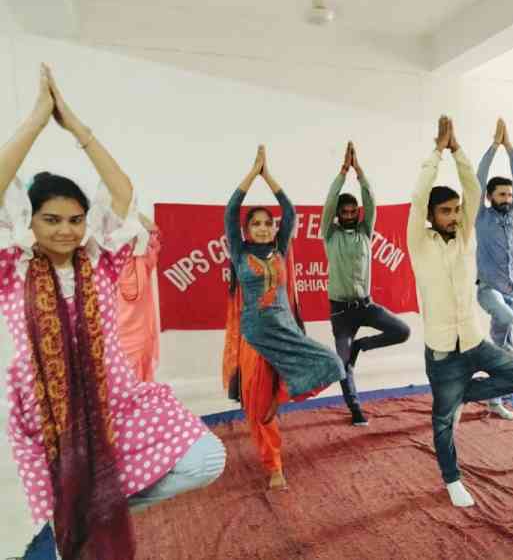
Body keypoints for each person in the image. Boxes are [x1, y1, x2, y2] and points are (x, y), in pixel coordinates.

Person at [0, 65, 225, 560]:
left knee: (207, 458)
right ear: (29, 221)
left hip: (119, 402)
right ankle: (80, 518)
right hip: (53, 417)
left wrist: (77, 129)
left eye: (76, 219)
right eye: (52, 219)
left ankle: (92, 508)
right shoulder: (12, 267)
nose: (66, 230)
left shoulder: (99, 260)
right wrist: (38, 118)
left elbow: (122, 192)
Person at [406, 115, 513, 508]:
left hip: (475, 340)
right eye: (445, 211)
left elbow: (473, 186)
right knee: (442, 422)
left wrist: (458, 151)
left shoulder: (466, 236)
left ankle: (464, 394)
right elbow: (418, 196)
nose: (452, 216)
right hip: (443, 351)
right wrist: (436, 152)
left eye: (455, 210)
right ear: (432, 216)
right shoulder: (420, 242)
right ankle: (452, 479)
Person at [223, 144, 345, 489]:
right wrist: (251, 175)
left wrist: (269, 177)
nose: (263, 228)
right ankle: (274, 464)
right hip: (256, 339)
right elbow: (232, 211)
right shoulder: (239, 251)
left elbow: (289, 210)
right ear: (248, 230)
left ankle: (281, 394)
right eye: (257, 224)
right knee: (258, 411)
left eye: (268, 223)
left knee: (333, 364)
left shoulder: (281, 249)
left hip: (287, 333)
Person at [321, 141, 410, 426]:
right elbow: (328, 202)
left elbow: (370, 199)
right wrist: (342, 172)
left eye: (352, 212)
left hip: (366, 306)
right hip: (341, 312)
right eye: (344, 212)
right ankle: (355, 408)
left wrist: (359, 172)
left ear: (357, 214)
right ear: (338, 215)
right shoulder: (329, 234)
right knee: (343, 363)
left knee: (402, 330)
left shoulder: (365, 232)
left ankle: (363, 346)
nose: (348, 215)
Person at [475, 117, 513, 421]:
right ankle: (477, 361)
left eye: (509, 195)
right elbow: (479, 178)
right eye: (502, 194)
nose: (508, 198)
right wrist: (495, 146)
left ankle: (494, 399)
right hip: (488, 289)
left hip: (512, 291)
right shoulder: (481, 217)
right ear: (490, 197)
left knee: (506, 347)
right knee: (506, 320)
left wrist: (511, 147)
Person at [117, 213, 161, 382]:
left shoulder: (144, 262)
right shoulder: (108, 267)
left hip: (140, 336)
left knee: (140, 383)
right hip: (117, 337)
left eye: (132, 238)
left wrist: (131, 211)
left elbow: (154, 231)